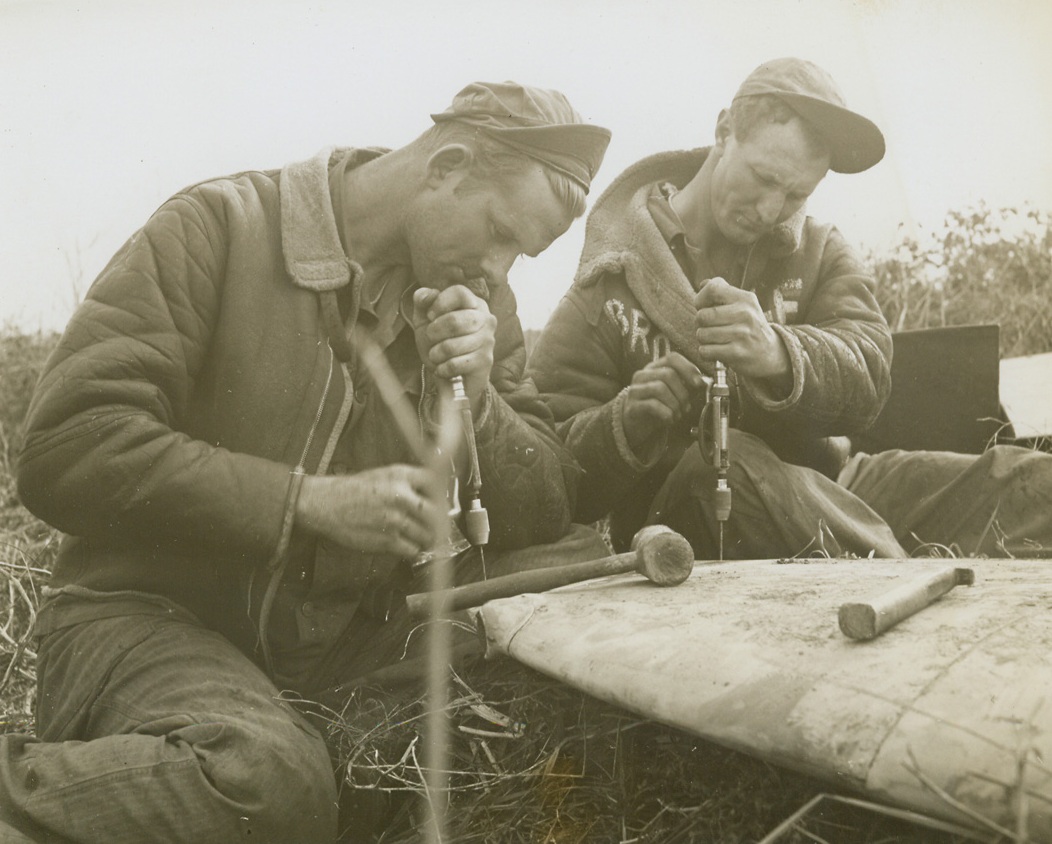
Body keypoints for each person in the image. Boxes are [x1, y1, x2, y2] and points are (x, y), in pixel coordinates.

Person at [2, 81, 612, 843]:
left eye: (521, 255)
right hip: (147, 617)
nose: (499, 269)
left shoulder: (478, 301)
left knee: (563, 671)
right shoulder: (218, 229)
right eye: (498, 233)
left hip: (328, 647)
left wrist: (480, 402)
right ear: (448, 164)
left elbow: (549, 505)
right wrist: (306, 504)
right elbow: (69, 448)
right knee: (268, 783)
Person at [528, 57, 1052, 561]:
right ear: (723, 131)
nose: (771, 210)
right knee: (732, 468)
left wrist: (778, 352)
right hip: (706, 516)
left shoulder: (819, 250)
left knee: (1030, 484)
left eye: (797, 193)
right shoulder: (608, 286)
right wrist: (627, 419)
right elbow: (549, 468)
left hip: (839, 488)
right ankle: (905, 572)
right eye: (763, 178)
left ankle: (885, 562)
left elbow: (870, 370)